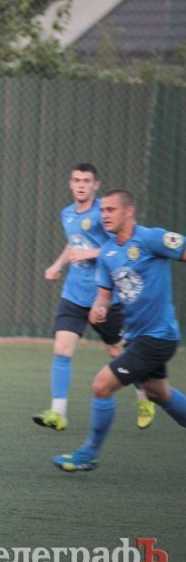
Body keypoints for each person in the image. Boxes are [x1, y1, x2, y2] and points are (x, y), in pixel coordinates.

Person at [54, 190, 186, 472]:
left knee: (102, 386)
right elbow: (103, 296)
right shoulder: (108, 253)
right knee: (157, 393)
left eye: (111, 210)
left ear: (129, 212)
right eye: (102, 211)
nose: (104, 215)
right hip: (138, 338)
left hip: (158, 336)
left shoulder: (151, 238)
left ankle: (89, 454)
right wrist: (98, 308)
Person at [35, 163, 151, 432]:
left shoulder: (103, 213)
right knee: (61, 349)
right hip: (73, 294)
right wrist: (57, 265)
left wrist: (88, 254)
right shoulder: (67, 214)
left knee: (117, 352)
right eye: (77, 180)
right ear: (70, 183)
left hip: (103, 296)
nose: (81, 185)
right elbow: (73, 242)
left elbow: (119, 245)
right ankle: (57, 413)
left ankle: (144, 395)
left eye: (86, 181)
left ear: (95, 185)